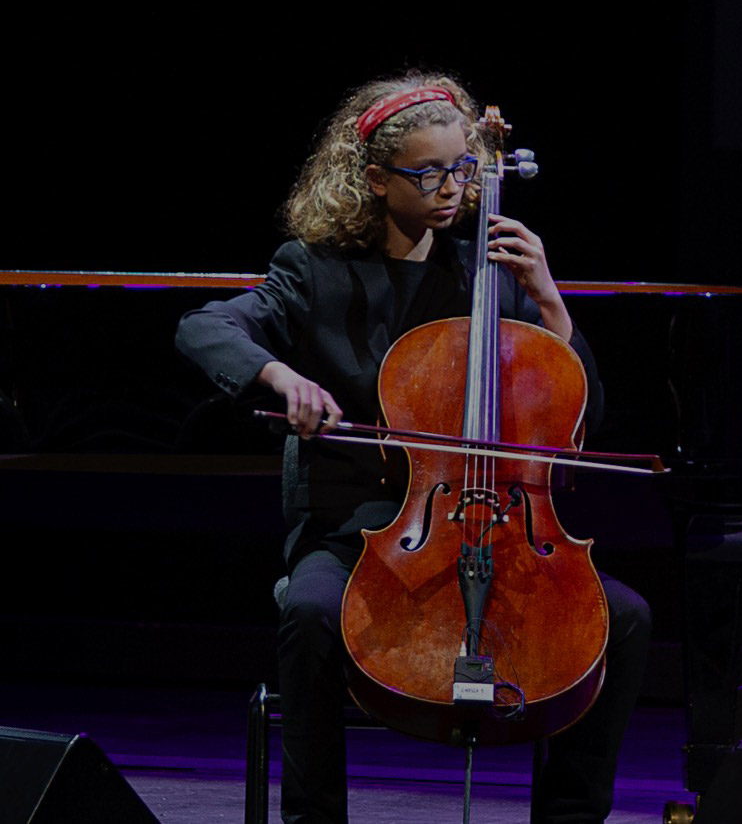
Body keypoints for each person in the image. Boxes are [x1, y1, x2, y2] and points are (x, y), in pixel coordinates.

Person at [175, 72, 651, 824]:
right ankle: (312, 815)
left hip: (495, 527)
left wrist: (551, 300)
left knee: (622, 620)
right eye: (428, 173)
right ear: (373, 179)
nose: (452, 189)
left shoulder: (486, 275)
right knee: (309, 613)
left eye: (463, 169)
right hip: (355, 528)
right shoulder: (314, 269)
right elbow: (205, 327)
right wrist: (279, 375)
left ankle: (570, 817)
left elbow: (578, 412)